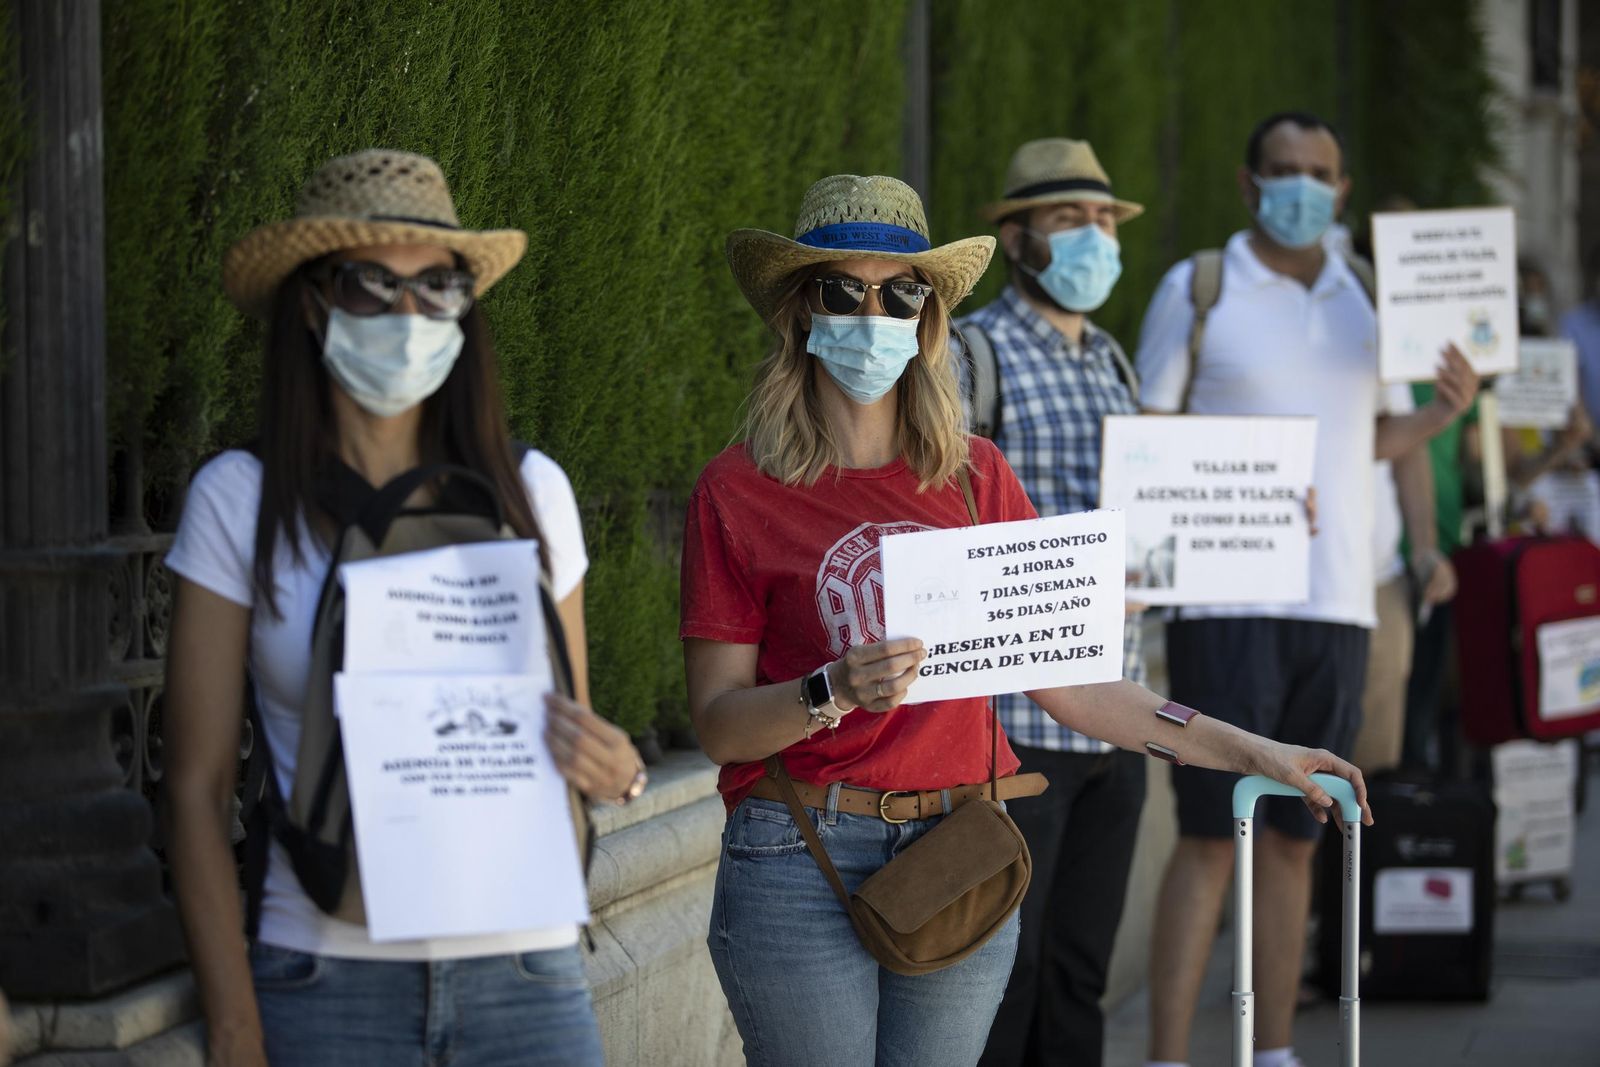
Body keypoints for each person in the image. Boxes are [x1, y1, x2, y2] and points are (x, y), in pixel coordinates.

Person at [682, 172, 1372, 1067]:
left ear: (929, 317)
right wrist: (833, 688)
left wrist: (1259, 752)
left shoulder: (976, 478)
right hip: (795, 848)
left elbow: (1080, 687)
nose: (874, 314)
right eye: (842, 290)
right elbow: (720, 724)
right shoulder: (737, 488)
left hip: (959, 849)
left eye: (902, 292)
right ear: (800, 314)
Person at [162, 150, 645, 1067]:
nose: (409, 314)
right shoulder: (239, 500)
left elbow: (575, 729)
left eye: (438, 286)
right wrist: (233, 1023)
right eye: (373, 285)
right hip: (323, 978)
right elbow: (193, 787)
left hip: (527, 973)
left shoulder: (530, 491)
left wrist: (616, 769)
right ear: (313, 300)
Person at [1133, 112, 1476, 1067]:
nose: (1300, 187)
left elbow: (1374, 440)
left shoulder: (1370, 296)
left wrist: (1444, 420)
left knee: (1294, 837)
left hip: (1337, 605)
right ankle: (1168, 1056)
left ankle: (1273, 1052)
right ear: (1248, 185)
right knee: (1209, 837)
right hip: (1224, 602)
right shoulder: (1197, 289)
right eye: (1281, 171)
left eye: (1317, 173)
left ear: (1343, 191)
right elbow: (1150, 436)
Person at [954, 138, 1149, 1067]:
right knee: (1007, 969)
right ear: (1018, 237)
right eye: (1071, 220)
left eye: (1105, 220)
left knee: (1082, 970)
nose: (1094, 238)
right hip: (1019, 722)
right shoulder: (972, 354)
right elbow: (941, 520)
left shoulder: (1114, 357)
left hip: (1122, 713)